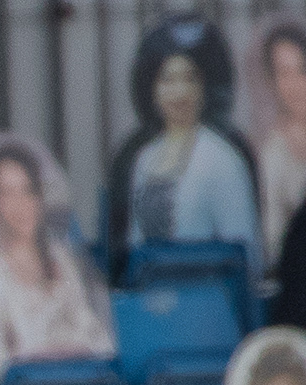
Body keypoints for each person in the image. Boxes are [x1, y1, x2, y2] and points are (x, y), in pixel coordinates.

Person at [107, 19, 260, 279]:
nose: (179, 92)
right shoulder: (143, 158)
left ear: (204, 88)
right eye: (167, 80)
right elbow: (134, 248)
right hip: (153, 296)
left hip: (210, 295)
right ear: (152, 89)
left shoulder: (223, 159)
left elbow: (245, 254)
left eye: (190, 79)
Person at [0, 134, 119, 385]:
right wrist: (26, 363)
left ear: (40, 196)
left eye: (28, 191)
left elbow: (98, 338)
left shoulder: (64, 260)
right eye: (7, 193)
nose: (20, 204)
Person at [252, 19, 306, 245]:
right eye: (284, 73)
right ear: (272, 82)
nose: (296, 84)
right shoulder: (273, 156)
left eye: (302, 70)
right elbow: (274, 240)